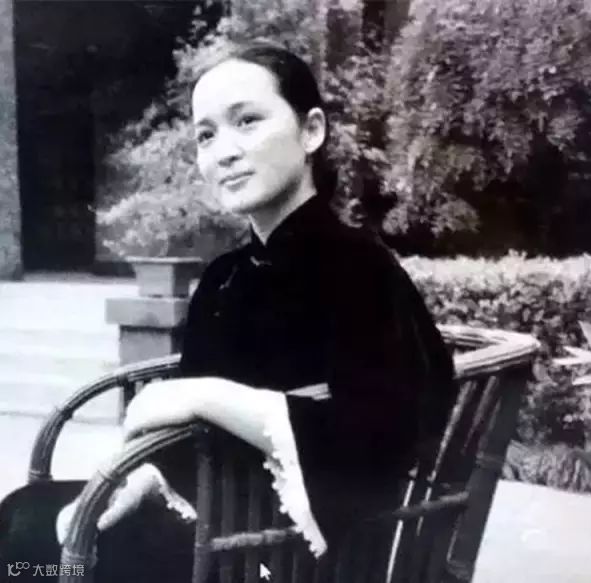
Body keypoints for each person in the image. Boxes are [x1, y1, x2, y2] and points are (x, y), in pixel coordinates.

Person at [0, 42, 457, 582]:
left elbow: (388, 427)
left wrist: (204, 396)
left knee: (29, 545)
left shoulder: (359, 267)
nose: (224, 151)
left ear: (311, 131)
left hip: (285, 553)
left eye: (247, 121)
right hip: (211, 523)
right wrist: (145, 479)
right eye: (207, 135)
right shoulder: (225, 277)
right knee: (26, 513)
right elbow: (190, 443)